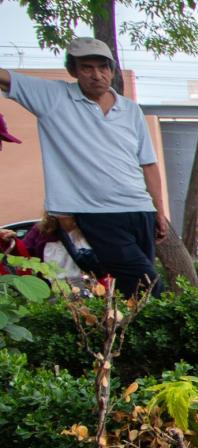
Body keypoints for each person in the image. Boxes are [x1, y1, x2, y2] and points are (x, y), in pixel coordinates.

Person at [0, 37, 168, 297]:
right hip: (96, 213)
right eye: (87, 67)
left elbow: (148, 163)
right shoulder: (54, 97)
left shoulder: (130, 110)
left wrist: (159, 210)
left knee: (131, 293)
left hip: (140, 209)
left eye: (103, 67)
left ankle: (118, 335)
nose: (96, 75)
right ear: (73, 71)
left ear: (112, 71)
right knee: (149, 285)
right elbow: (7, 78)